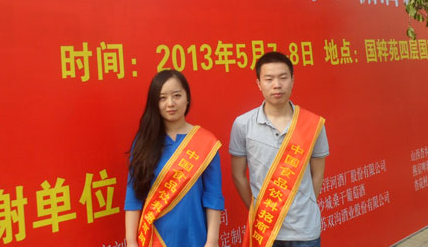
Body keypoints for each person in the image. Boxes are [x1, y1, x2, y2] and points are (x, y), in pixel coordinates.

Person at [229, 52, 329, 247]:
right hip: (265, 229)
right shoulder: (243, 124)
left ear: (292, 80)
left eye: (283, 77)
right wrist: (258, 210)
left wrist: (304, 203)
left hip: (305, 231)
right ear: (259, 83)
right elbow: (238, 175)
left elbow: (318, 173)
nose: (277, 85)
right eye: (269, 79)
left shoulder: (313, 124)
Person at [125, 69, 224, 247]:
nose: (170, 103)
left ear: (187, 98)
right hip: (154, 239)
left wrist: (212, 241)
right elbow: (133, 197)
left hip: (196, 238)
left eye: (177, 95)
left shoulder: (206, 142)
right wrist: (131, 242)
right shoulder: (144, 143)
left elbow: (213, 196)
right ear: (154, 103)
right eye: (162, 98)